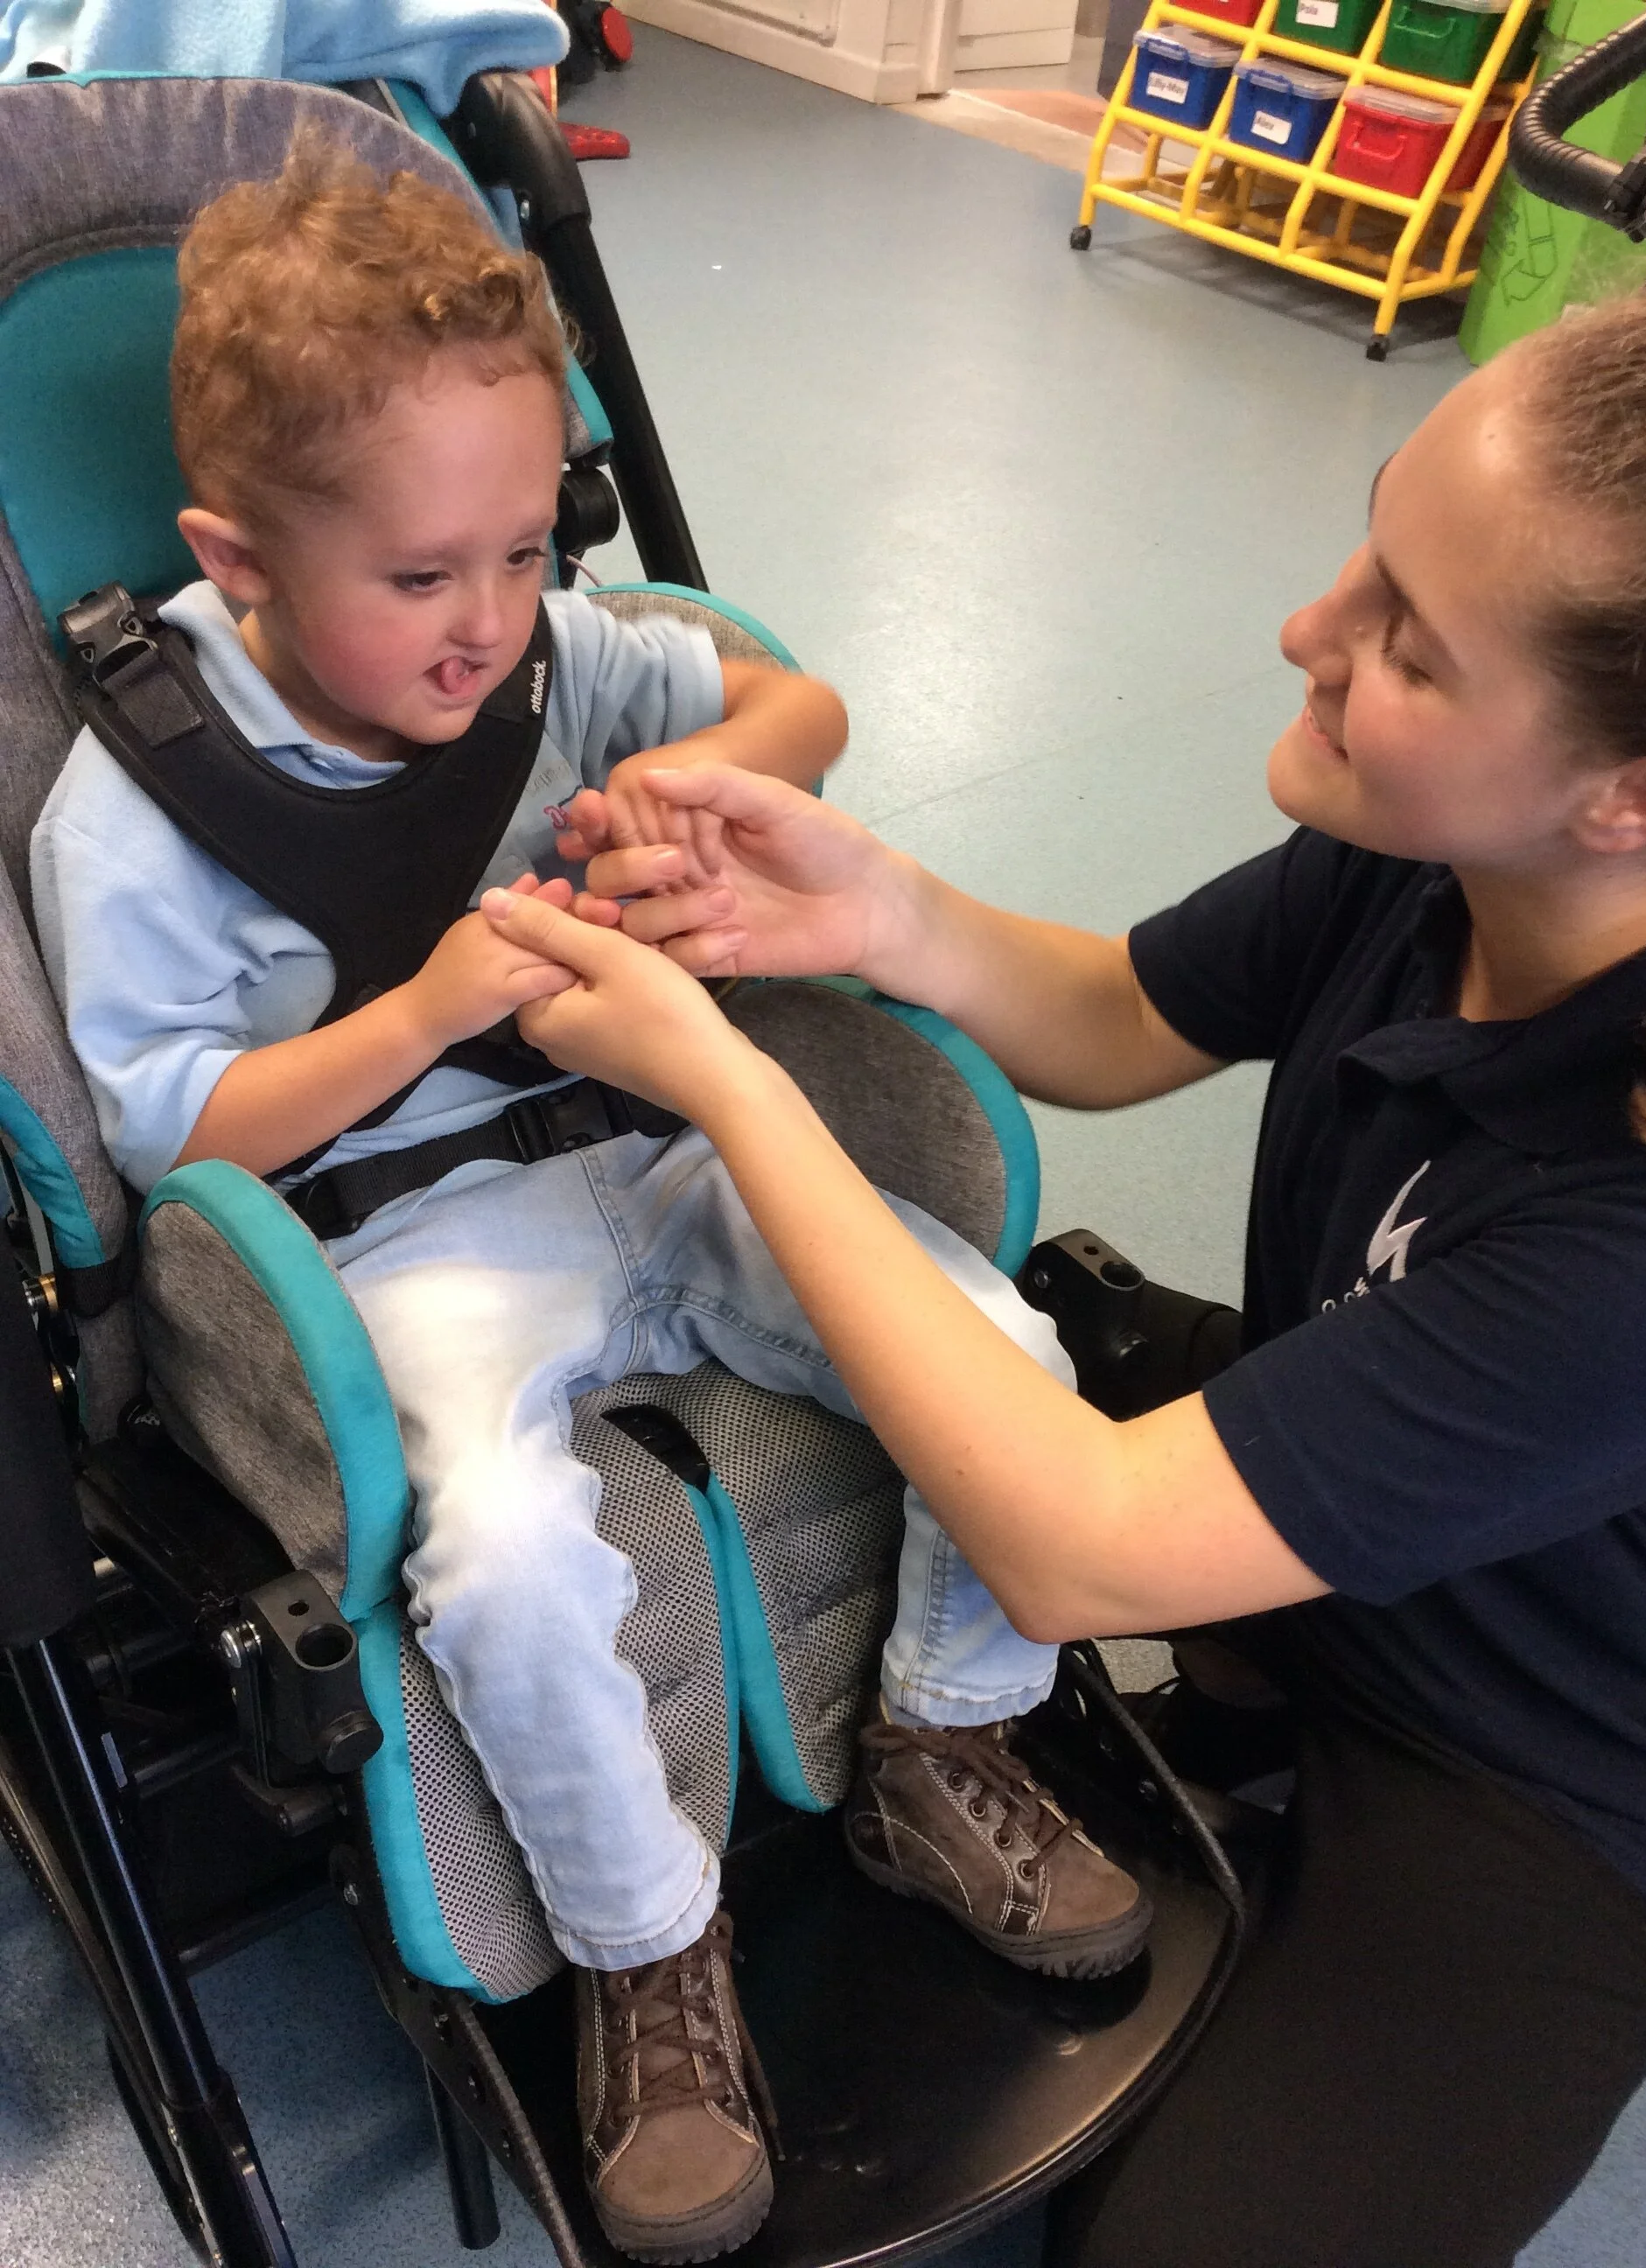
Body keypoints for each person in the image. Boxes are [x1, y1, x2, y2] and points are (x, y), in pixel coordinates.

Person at [478, 284, 1646, 2268]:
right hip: (1335, 1514)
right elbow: (1122, 1013)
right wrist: (876, 906)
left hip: (1549, 1763)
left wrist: (720, 1082)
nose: (1308, 632)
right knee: (990, 1330)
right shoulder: (1439, 843)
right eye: (1365, 546)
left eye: (1402, 641)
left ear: (1635, 797)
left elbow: (1074, 1553)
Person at [30, 139, 1147, 2264]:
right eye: (422, 576)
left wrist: (715, 776)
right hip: (396, 1240)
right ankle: (648, 1951)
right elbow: (176, 1134)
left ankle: (945, 1737)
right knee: (516, 1557)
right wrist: (434, 998)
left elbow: (788, 693)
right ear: (235, 558)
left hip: (661, 1146)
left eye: (525, 550)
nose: (486, 626)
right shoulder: (140, 802)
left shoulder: (554, 651)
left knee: (1001, 1356)